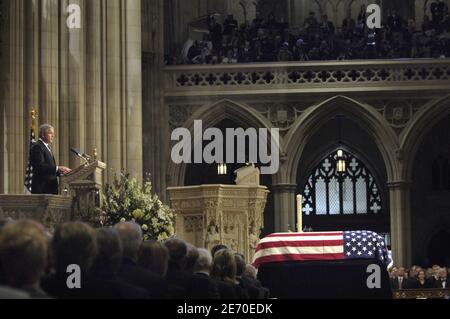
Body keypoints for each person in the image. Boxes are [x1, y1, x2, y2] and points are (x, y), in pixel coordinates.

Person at [30, 124, 71, 194]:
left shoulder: (46, 147)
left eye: (53, 134)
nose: (53, 136)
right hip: (42, 190)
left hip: (50, 189)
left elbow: (48, 169)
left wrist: (60, 172)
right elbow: (40, 167)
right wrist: (58, 168)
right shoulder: (38, 147)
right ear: (43, 134)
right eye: (50, 133)